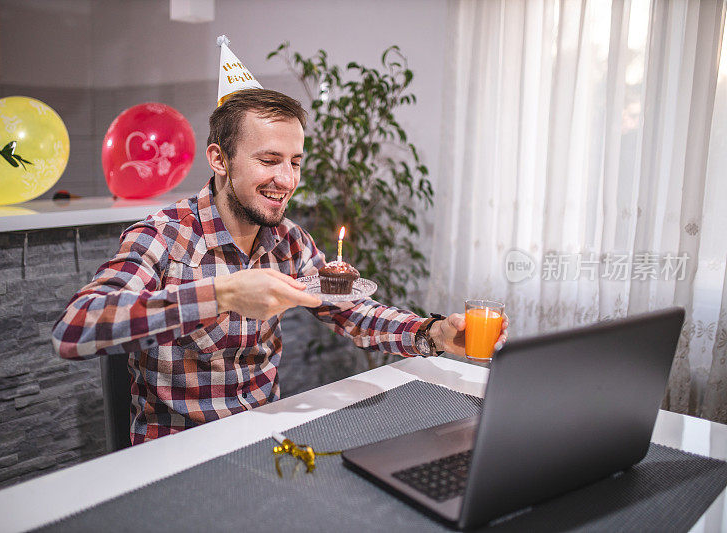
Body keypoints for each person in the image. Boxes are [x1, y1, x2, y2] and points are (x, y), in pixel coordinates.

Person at [52, 89, 508, 445]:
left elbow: (351, 311)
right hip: (176, 449)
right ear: (219, 160)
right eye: (269, 161)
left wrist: (434, 334)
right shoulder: (163, 237)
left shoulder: (289, 241)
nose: (286, 180)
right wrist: (222, 294)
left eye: (294, 162)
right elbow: (74, 329)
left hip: (264, 437)